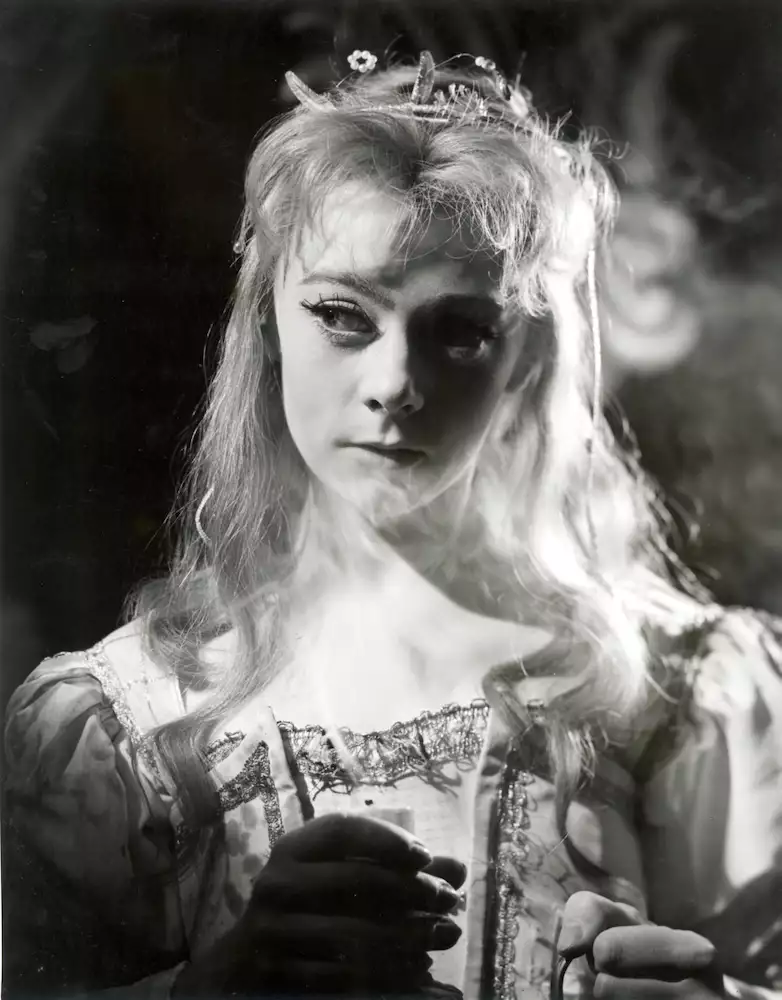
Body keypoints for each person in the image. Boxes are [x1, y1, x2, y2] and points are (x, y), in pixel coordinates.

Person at [4, 50, 782, 1000]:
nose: (394, 386)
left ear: (526, 360)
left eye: (458, 331)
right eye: (342, 315)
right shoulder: (133, 718)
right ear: (266, 323)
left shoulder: (673, 692)